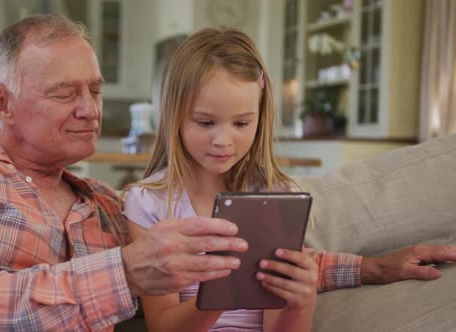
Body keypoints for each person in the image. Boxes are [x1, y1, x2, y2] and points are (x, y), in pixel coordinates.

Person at [0, 14, 454, 331]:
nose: (90, 109)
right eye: (66, 92)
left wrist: (376, 267)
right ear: (0, 102)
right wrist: (123, 274)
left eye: (95, 90)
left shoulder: (104, 204)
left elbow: (249, 257)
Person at [122, 27, 456, 331]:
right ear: (175, 116)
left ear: (260, 117)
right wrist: (222, 294)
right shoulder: (148, 202)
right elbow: (163, 326)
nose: (223, 140)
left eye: (241, 124)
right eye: (205, 123)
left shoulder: (276, 194)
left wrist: (302, 300)